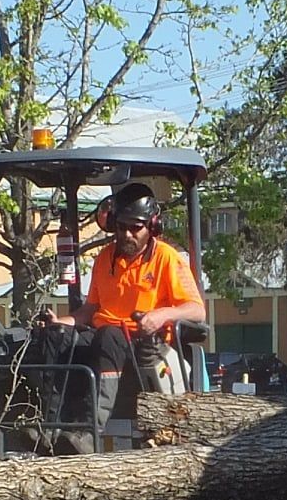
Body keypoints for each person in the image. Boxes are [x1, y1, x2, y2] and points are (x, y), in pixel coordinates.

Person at [33, 181, 205, 452]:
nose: (127, 234)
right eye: (121, 227)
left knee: (109, 335)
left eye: (135, 228)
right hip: (105, 340)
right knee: (56, 338)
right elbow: (90, 310)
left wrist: (161, 315)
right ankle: (48, 428)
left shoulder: (166, 258)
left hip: (144, 343)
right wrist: (60, 324)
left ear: (152, 226)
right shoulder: (105, 258)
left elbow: (197, 310)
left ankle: (89, 432)